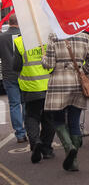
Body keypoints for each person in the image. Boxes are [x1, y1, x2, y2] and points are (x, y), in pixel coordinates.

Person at [42, 32, 89, 172]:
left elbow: (48, 64)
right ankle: (73, 162)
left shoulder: (54, 37)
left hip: (58, 84)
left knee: (58, 120)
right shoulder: (85, 37)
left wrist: (43, 58)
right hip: (77, 84)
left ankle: (69, 147)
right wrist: (80, 70)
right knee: (74, 121)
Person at [13, 35, 55, 163]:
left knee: (32, 117)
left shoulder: (20, 41)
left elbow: (17, 66)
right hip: (49, 86)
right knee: (49, 119)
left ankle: (35, 142)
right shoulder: (48, 39)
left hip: (30, 87)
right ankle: (47, 149)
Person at [0, 14, 26, 143]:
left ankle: (20, 133)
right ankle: (30, 129)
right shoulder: (25, 36)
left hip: (9, 74)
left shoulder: (2, 37)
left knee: (14, 105)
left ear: (9, 23)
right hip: (25, 73)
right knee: (25, 103)